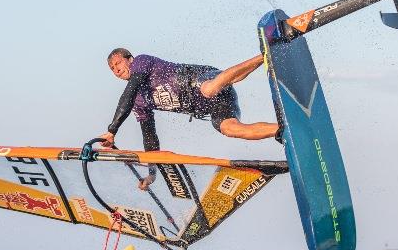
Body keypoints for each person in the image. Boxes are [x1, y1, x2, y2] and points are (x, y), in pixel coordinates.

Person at [99, 48, 279, 189]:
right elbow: (149, 137)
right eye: (112, 69)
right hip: (214, 105)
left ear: (130, 59)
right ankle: (282, 129)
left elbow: (128, 94)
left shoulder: (141, 61)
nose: (116, 70)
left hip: (204, 80)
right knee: (229, 129)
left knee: (208, 89)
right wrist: (152, 173)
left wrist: (112, 129)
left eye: (118, 63)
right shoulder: (139, 102)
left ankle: (265, 55)